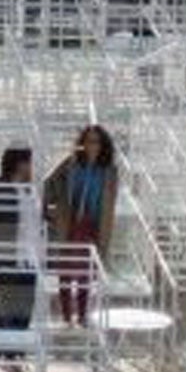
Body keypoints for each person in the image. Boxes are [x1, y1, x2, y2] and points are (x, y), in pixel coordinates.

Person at [41, 124, 119, 325]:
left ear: (103, 145)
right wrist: (48, 210)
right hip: (70, 221)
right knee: (66, 271)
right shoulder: (71, 163)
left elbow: (110, 203)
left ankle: (83, 316)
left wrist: (106, 230)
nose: (93, 146)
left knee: (86, 272)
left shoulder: (109, 170)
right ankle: (67, 317)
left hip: (93, 223)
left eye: (97, 142)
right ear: (82, 143)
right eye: (89, 141)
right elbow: (47, 184)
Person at [0, 147, 40, 337]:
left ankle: (12, 350)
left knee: (23, 315)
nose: (34, 168)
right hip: (7, 260)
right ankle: (4, 350)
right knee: (9, 314)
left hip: (28, 260)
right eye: (31, 163)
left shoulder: (29, 190)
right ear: (21, 164)